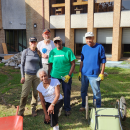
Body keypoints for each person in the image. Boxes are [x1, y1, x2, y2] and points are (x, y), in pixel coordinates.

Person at [78, 32, 106, 111]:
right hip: (84, 74)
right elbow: (82, 60)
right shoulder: (84, 47)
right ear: (85, 39)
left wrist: (102, 73)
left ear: (93, 38)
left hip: (94, 74)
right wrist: (80, 71)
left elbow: (103, 61)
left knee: (96, 92)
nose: (89, 40)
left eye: (90, 38)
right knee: (83, 91)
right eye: (87, 38)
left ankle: (97, 107)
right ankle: (84, 105)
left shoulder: (99, 47)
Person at [48, 36, 76, 116]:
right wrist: (49, 76)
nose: (57, 43)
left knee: (66, 92)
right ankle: (55, 107)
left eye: (58, 41)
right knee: (54, 93)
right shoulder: (52, 52)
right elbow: (50, 65)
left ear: (61, 41)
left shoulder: (68, 51)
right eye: (55, 42)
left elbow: (73, 64)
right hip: (55, 75)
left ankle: (67, 108)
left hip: (65, 76)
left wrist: (69, 75)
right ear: (54, 43)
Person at [19, 37, 42, 117]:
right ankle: (21, 111)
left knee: (35, 93)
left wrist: (41, 75)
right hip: (27, 75)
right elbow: (22, 65)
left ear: (36, 43)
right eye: (31, 42)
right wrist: (22, 76)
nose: (33, 43)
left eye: (34, 42)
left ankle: (33, 109)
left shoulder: (38, 53)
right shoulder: (25, 52)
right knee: (24, 94)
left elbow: (41, 65)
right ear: (29, 43)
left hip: (36, 76)